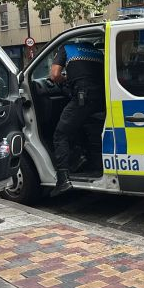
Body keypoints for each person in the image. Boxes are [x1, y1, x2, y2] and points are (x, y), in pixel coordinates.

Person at [50, 41, 105, 196]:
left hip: (83, 99)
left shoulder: (66, 48)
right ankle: (90, 162)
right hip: (101, 99)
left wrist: (65, 80)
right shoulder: (96, 52)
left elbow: (54, 75)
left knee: (60, 134)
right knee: (89, 128)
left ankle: (63, 179)